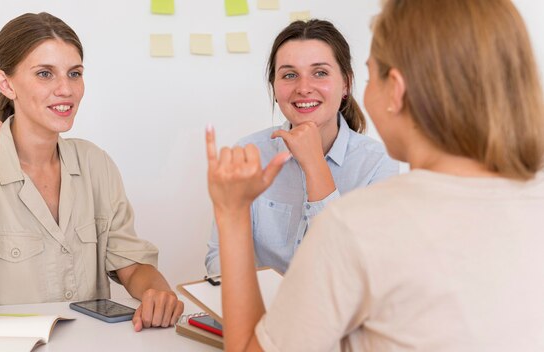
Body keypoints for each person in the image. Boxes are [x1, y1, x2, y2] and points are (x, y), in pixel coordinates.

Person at [206, 0, 544, 350]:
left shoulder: (357, 222)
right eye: (289, 74)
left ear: (393, 89)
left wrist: (232, 213)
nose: (303, 87)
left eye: (371, 73)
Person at [0, 12, 184, 330]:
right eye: (45, 74)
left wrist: (157, 293)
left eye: (74, 74)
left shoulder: (96, 164)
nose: (66, 89)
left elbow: (131, 264)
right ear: (6, 83)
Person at [205, 19, 398, 275]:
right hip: (260, 310)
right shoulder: (250, 152)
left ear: (346, 84)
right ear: (274, 87)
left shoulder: (377, 164)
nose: (304, 88)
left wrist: (314, 162)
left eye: (320, 73)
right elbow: (218, 258)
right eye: (289, 75)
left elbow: (355, 272)